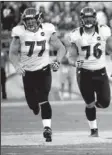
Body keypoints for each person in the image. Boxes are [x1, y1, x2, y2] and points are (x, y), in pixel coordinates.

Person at [9, 8, 66, 142]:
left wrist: (57, 61)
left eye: (32, 20)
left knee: (43, 98)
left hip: (44, 70)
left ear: (38, 19)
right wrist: (17, 65)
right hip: (28, 72)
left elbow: (61, 48)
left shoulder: (47, 29)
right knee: (32, 104)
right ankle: (35, 108)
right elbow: (12, 53)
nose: (30, 23)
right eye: (27, 20)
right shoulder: (19, 32)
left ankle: (47, 128)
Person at [65, 7, 112, 137]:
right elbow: (70, 56)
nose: (88, 20)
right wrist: (74, 63)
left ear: (95, 18)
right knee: (89, 103)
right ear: (81, 19)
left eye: (91, 17)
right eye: (86, 17)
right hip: (84, 73)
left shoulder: (104, 30)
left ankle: (92, 106)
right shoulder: (76, 34)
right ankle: (94, 130)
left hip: (100, 71)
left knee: (105, 103)